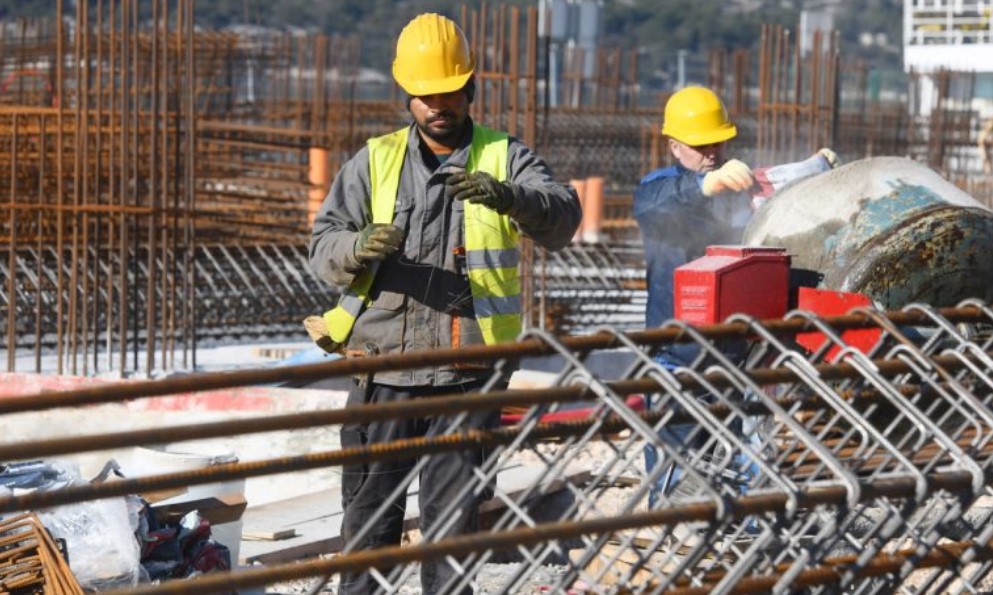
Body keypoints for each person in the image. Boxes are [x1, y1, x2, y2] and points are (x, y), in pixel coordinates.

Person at [306, 12, 581, 594]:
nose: (438, 106)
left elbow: (563, 219)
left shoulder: (506, 157)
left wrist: (510, 197)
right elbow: (321, 245)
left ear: (470, 88)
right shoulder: (374, 161)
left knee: (452, 533)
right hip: (383, 373)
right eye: (425, 96)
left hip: (468, 375)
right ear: (407, 95)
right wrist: (357, 246)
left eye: (449, 92)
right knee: (368, 525)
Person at [634, 86, 838, 509]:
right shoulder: (661, 188)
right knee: (678, 465)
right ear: (674, 146)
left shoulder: (738, 188)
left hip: (737, 351)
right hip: (678, 351)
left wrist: (815, 170)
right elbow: (652, 204)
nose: (712, 151)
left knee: (744, 461)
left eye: (717, 141)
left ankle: (743, 538)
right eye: (700, 145)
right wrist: (704, 185)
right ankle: (676, 536)